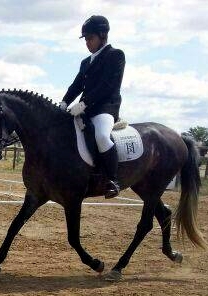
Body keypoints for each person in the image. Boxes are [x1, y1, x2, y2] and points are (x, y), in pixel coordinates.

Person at [59, 15, 124, 199]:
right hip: (85, 108)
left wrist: (84, 103)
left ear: (102, 36)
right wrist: (64, 102)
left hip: (106, 107)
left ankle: (113, 180)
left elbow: (108, 86)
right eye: (86, 39)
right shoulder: (86, 62)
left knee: (102, 136)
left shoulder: (116, 55)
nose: (87, 43)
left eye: (90, 38)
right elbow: (76, 85)